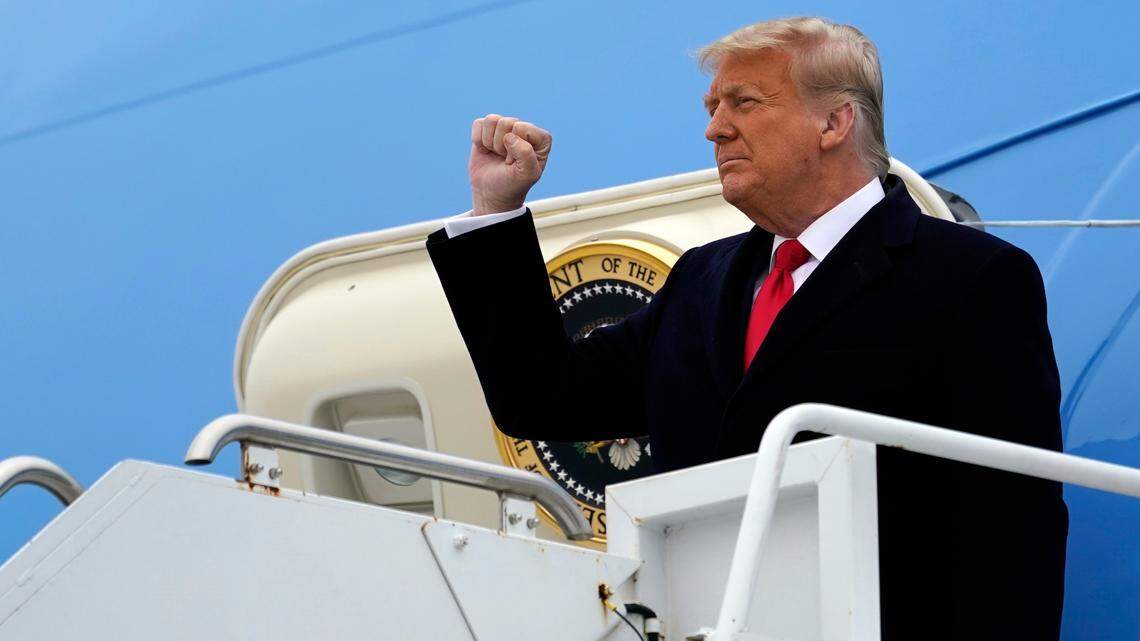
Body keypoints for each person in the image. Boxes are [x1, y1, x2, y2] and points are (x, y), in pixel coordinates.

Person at [426, 16, 1067, 641]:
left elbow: (1011, 521)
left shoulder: (973, 278)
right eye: (713, 105)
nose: (714, 128)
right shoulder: (701, 281)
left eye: (744, 102)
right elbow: (541, 396)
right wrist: (496, 211)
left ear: (834, 123)